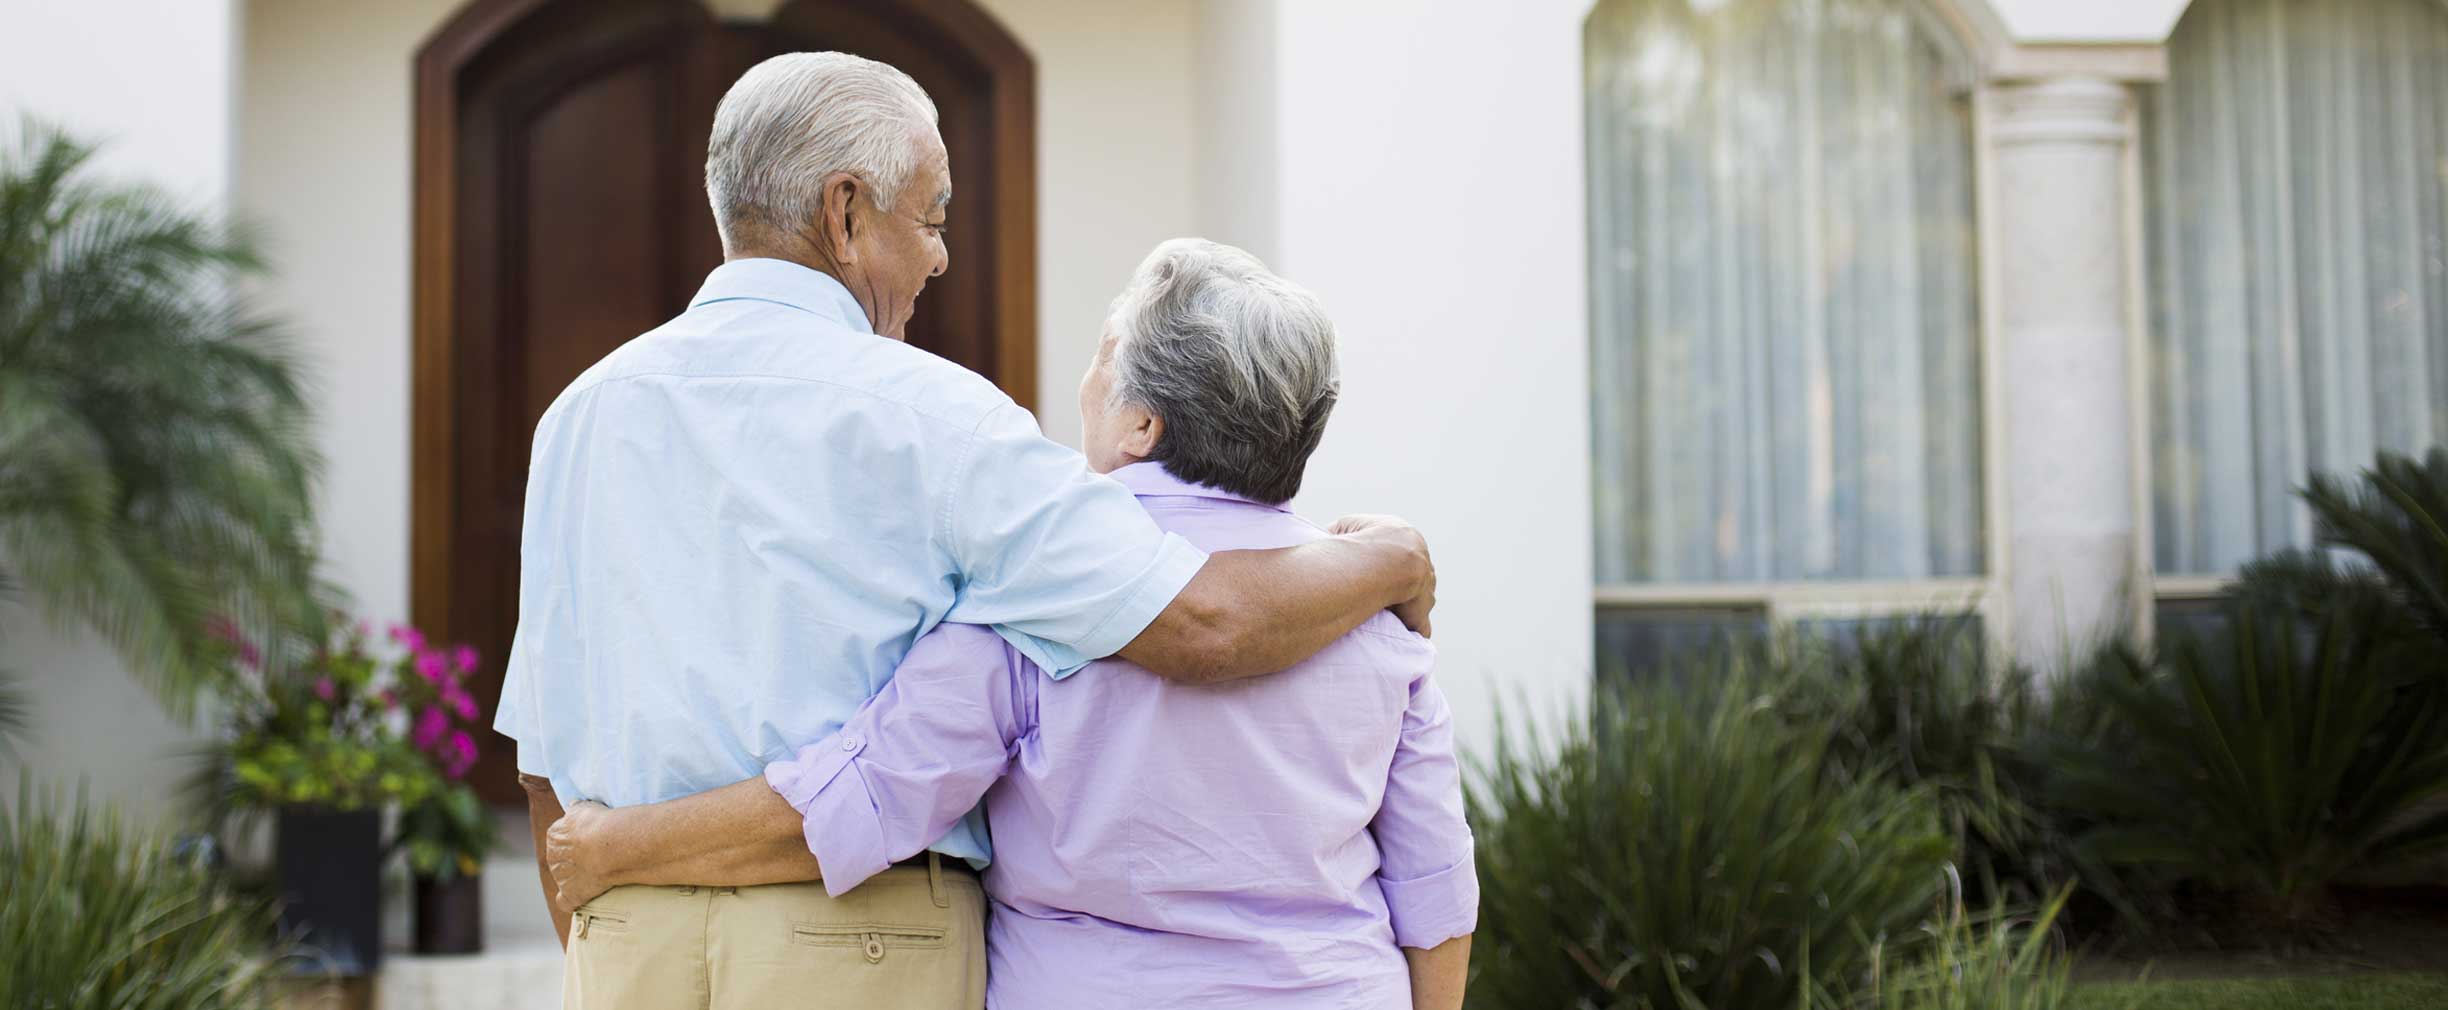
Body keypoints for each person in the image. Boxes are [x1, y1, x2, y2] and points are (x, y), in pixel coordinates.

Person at [497, 54, 1439, 1010]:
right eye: (933, 218)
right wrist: (1388, 559)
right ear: (847, 213)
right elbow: (1206, 624)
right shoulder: (942, 417)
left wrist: (607, 928)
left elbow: (541, 762)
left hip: (624, 940)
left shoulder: (580, 415)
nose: (942, 256)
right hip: (857, 944)